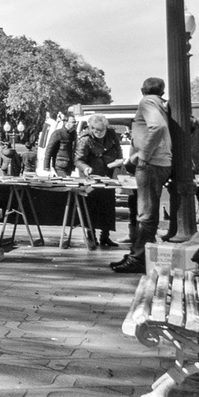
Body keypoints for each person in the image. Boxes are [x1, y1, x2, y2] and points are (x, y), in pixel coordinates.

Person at [114, 77, 172, 275]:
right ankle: (138, 253)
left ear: (142, 90)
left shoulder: (147, 102)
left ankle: (138, 258)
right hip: (161, 162)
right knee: (147, 213)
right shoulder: (161, 104)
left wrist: (143, 156)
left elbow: (157, 127)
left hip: (152, 163)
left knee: (145, 213)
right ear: (162, 92)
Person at [76, 114, 126, 248]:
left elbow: (118, 149)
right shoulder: (85, 139)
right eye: (96, 130)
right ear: (91, 128)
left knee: (108, 206)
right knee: (91, 206)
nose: (99, 133)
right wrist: (85, 168)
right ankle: (91, 236)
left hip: (108, 175)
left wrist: (119, 160)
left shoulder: (111, 134)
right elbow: (79, 159)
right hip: (90, 177)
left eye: (102, 130)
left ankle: (105, 236)